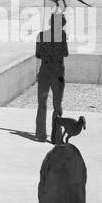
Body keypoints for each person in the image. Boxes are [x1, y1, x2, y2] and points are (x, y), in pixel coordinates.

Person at [34, 13, 68, 142]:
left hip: (44, 74)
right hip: (57, 74)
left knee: (42, 104)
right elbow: (65, 52)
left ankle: (40, 134)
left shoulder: (41, 35)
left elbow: (38, 54)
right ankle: (56, 136)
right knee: (57, 106)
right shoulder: (62, 35)